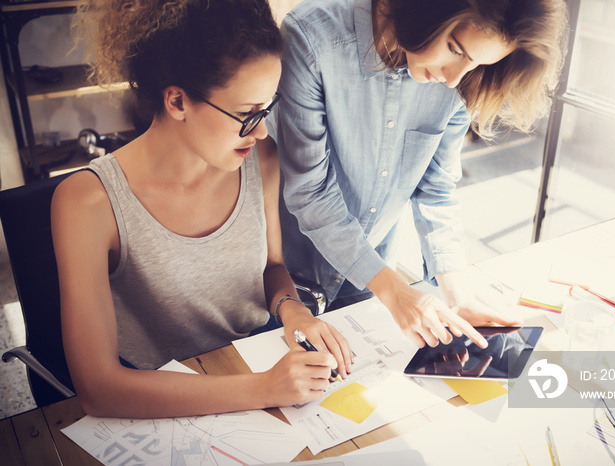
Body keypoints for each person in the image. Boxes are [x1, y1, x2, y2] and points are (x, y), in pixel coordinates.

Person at [52, 0, 351, 419]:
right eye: (247, 114)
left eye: (267, 110)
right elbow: (98, 389)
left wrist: (292, 309)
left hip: (257, 363)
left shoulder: (259, 157)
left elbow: (271, 267)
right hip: (161, 398)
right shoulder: (87, 201)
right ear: (177, 102)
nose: (262, 130)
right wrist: (265, 389)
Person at [268, 0, 567, 349]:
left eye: (476, 63)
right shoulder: (312, 38)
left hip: (369, 285)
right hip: (282, 282)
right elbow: (311, 191)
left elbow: (436, 188)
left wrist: (459, 294)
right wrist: (396, 292)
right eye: (455, 49)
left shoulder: (461, 81)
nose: (454, 78)